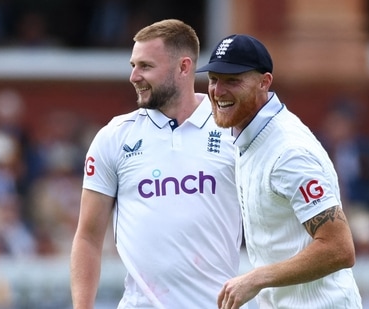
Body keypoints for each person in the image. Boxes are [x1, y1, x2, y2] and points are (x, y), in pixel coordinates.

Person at [70, 19, 245, 309]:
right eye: (133, 65)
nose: (134, 76)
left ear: (184, 67)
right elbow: (88, 237)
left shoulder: (234, 131)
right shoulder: (114, 137)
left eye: (146, 66)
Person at [196, 34, 363, 309]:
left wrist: (256, 278)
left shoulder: (289, 152)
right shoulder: (245, 133)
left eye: (232, 80)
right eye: (214, 79)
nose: (218, 91)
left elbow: (339, 249)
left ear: (264, 82)